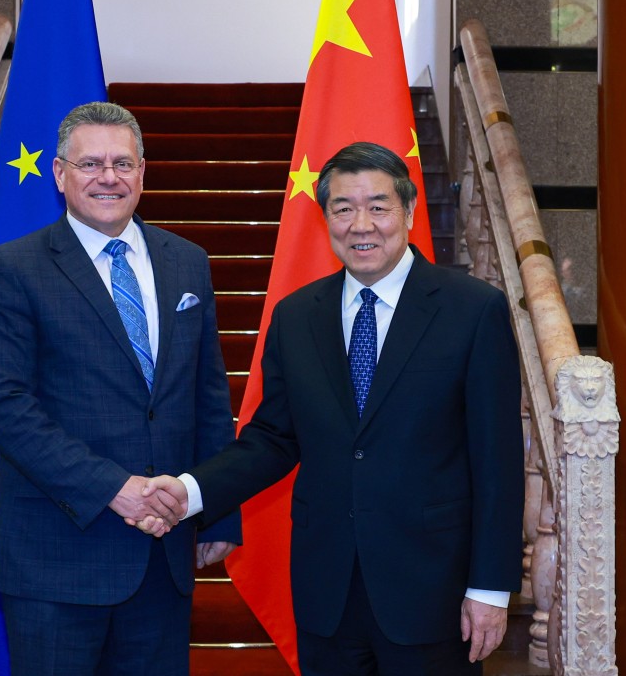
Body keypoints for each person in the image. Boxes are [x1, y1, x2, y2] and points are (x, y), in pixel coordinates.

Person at [140, 142, 525, 675]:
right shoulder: (297, 316)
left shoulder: (472, 309)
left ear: (409, 212)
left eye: (378, 206)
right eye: (343, 208)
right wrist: (192, 491)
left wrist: (490, 587)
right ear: (325, 218)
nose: (361, 224)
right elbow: (273, 438)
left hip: (433, 591)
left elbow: (498, 462)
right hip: (328, 590)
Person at [0, 101, 241, 675]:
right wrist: (116, 488)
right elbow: (4, 407)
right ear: (60, 174)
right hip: (57, 558)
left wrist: (213, 509)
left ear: (143, 172)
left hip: (164, 553)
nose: (108, 177)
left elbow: (207, 396)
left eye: (122, 163)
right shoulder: (11, 269)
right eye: (90, 164)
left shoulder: (187, 262)